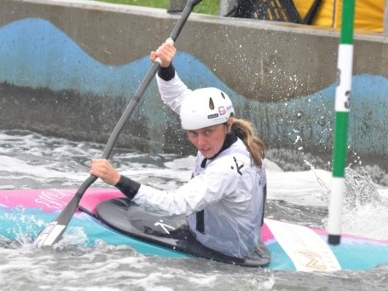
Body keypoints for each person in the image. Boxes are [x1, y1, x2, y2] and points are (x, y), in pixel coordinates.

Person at [90, 41, 267, 260]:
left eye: (208, 132)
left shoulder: (226, 169)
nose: (200, 142)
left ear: (228, 124)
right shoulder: (229, 135)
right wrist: (165, 67)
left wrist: (117, 179)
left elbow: (175, 205)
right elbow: (177, 98)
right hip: (233, 238)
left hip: (223, 251)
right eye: (193, 133)